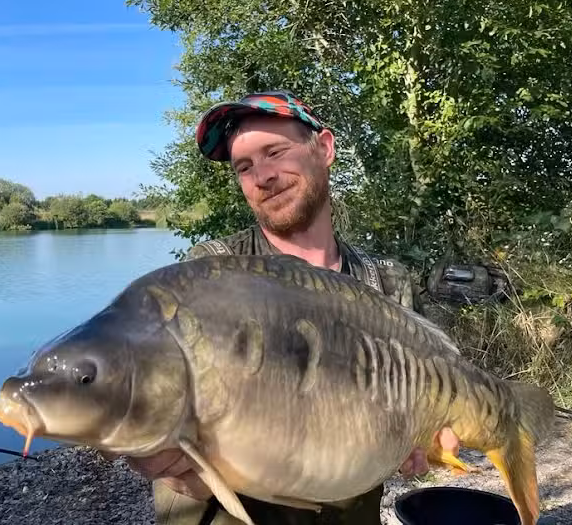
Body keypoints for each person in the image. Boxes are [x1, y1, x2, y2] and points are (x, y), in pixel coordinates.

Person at [125, 89, 460, 525]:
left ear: (323, 148)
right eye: (244, 167)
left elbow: (412, 402)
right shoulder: (213, 274)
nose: (261, 176)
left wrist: (418, 437)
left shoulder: (385, 280)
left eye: (275, 152)